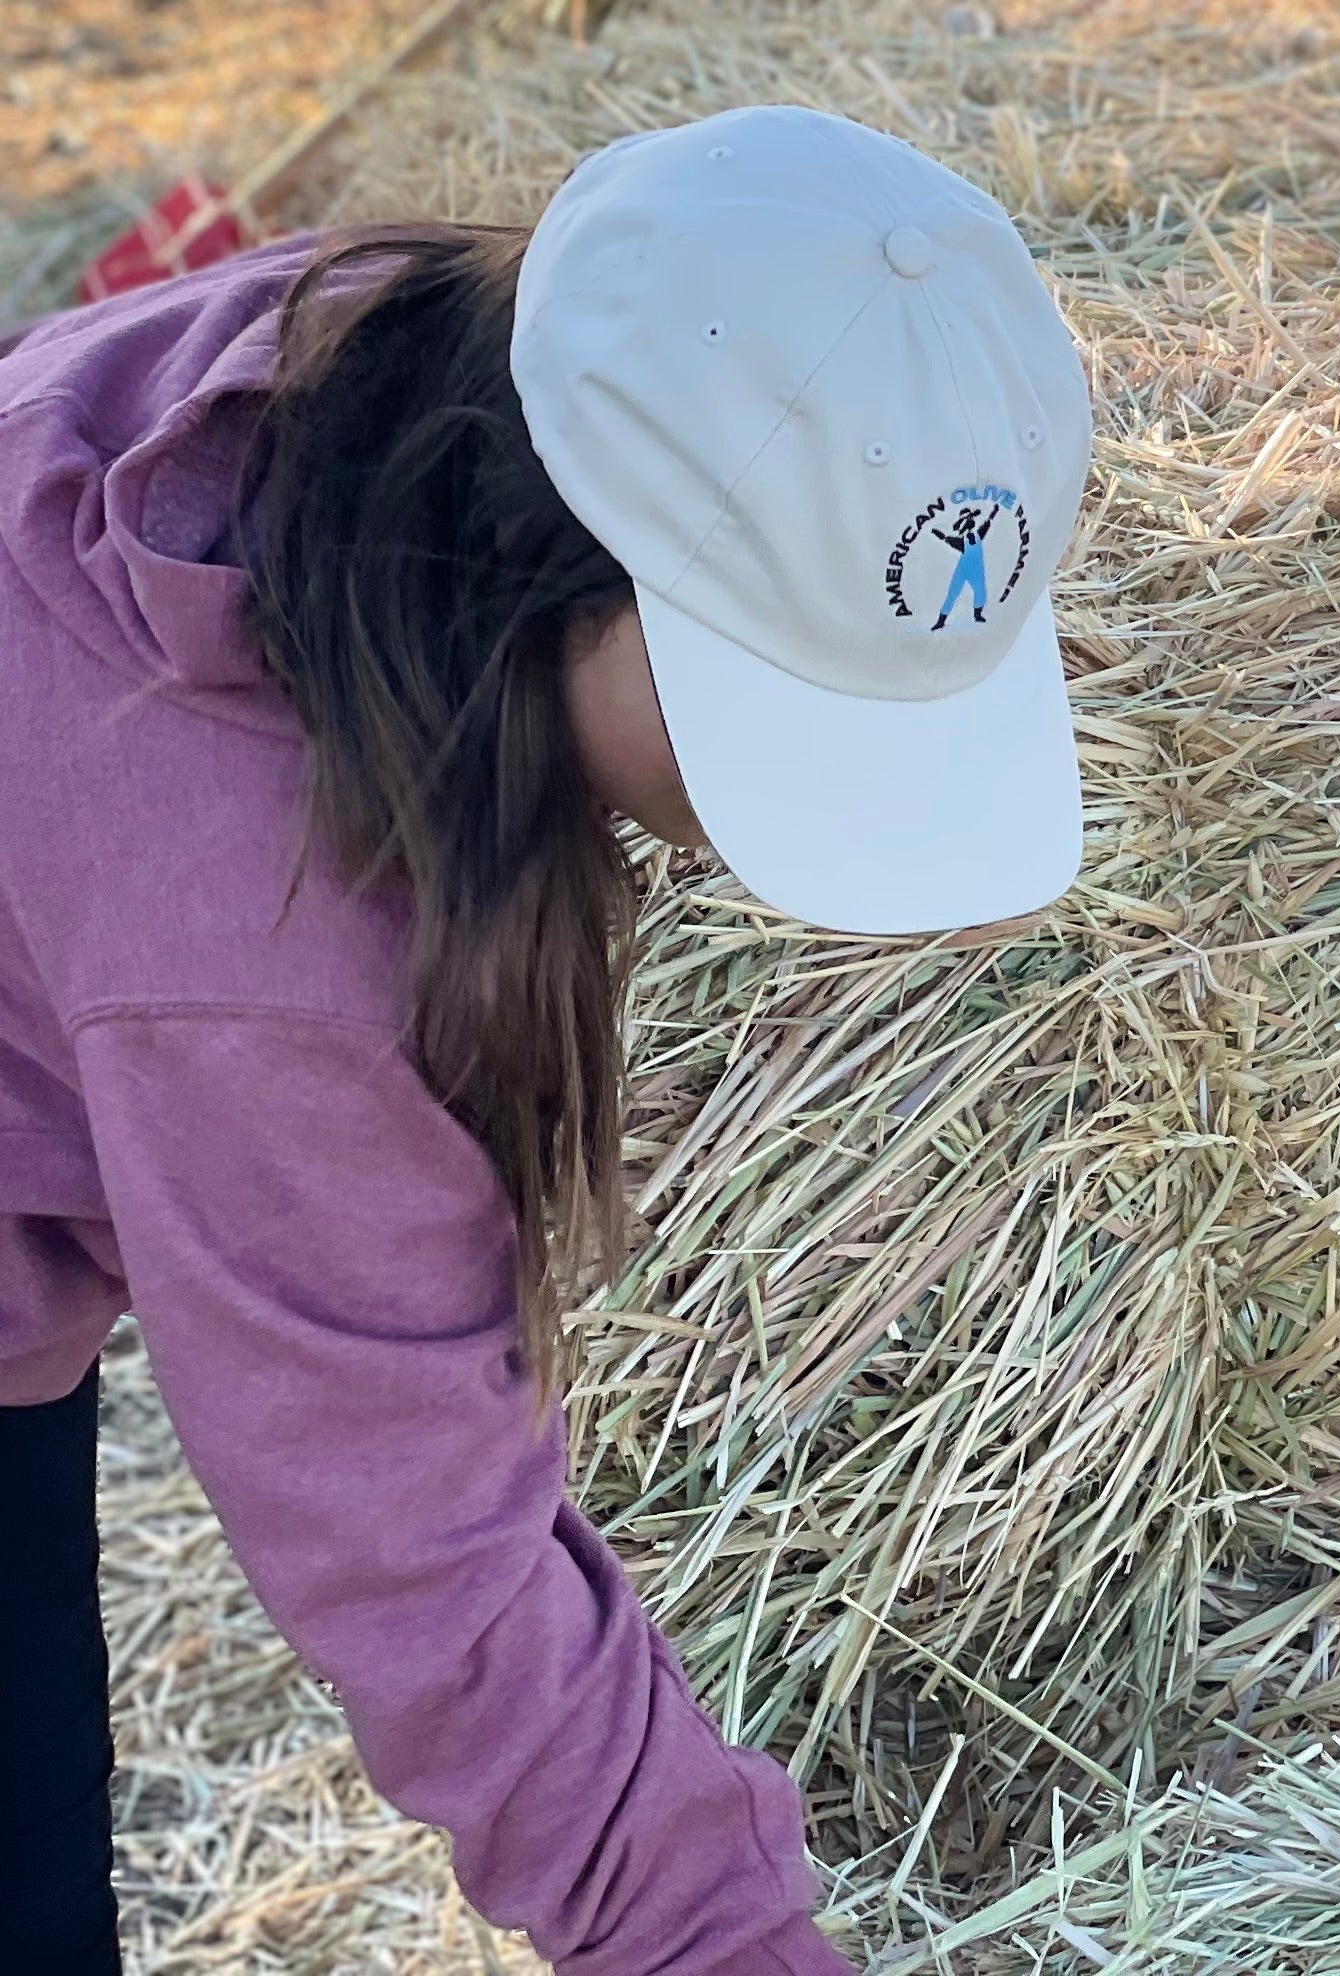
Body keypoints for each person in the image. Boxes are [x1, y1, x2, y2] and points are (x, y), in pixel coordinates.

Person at [0, 104, 1092, 1976]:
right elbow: (432, 1569)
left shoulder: (379, 389)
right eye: (783, 712)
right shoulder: (256, 922)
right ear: (558, 572)